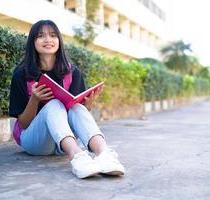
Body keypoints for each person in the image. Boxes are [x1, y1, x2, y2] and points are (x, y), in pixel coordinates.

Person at [9, 19, 125, 179]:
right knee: (54, 104)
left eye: (53, 35)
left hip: (62, 142)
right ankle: (78, 158)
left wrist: (87, 105)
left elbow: (76, 114)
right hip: (34, 142)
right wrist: (34, 99)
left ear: (59, 41)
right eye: (41, 36)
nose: (48, 40)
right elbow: (23, 124)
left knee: (77, 108)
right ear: (33, 42)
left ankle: (104, 154)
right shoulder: (21, 75)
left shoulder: (72, 72)